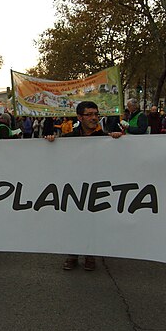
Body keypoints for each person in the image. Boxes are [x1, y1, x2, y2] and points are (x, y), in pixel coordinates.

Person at [44, 101, 123, 271]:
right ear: (79, 117)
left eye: (96, 114)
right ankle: (72, 254)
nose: (94, 118)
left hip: (96, 188)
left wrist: (117, 141)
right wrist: (50, 142)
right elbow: (55, 158)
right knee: (73, 222)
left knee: (92, 221)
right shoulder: (68, 139)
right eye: (89, 114)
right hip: (74, 188)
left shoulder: (106, 138)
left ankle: (90, 254)